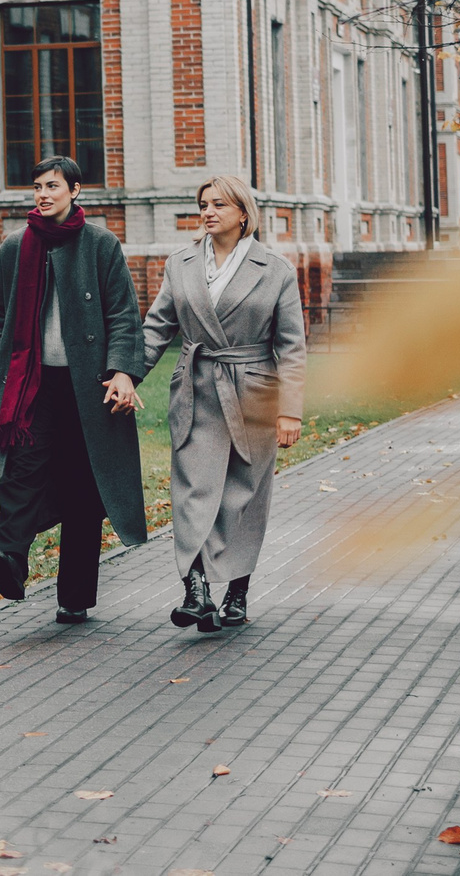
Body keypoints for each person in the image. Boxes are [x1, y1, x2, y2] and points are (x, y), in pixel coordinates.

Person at [0, 154, 148, 623]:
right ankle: (10, 559)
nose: (43, 194)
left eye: (52, 185)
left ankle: (74, 596)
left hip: (86, 386)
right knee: (21, 469)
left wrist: (121, 371)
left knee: (83, 488)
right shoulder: (16, 247)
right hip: (32, 385)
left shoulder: (100, 245)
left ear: (75, 191)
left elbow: (123, 315)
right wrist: (1, 369)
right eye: (37, 187)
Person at [139, 173, 308, 634]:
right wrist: (125, 373)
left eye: (218, 204)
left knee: (242, 498)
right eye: (203, 204)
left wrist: (289, 409)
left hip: (253, 393)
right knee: (193, 492)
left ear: (243, 213)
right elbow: (156, 329)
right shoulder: (182, 264)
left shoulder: (274, 269)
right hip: (195, 390)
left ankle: (236, 592)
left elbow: (291, 347)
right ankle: (196, 592)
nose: (208, 212)